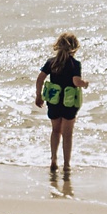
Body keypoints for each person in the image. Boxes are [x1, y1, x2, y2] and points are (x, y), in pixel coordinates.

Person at [35, 32, 89, 172]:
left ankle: (53, 159)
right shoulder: (75, 64)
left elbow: (40, 78)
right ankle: (66, 165)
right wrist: (85, 84)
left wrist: (38, 96)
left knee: (55, 131)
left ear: (58, 46)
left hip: (54, 102)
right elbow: (75, 82)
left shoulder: (51, 62)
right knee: (67, 133)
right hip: (69, 103)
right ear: (75, 48)